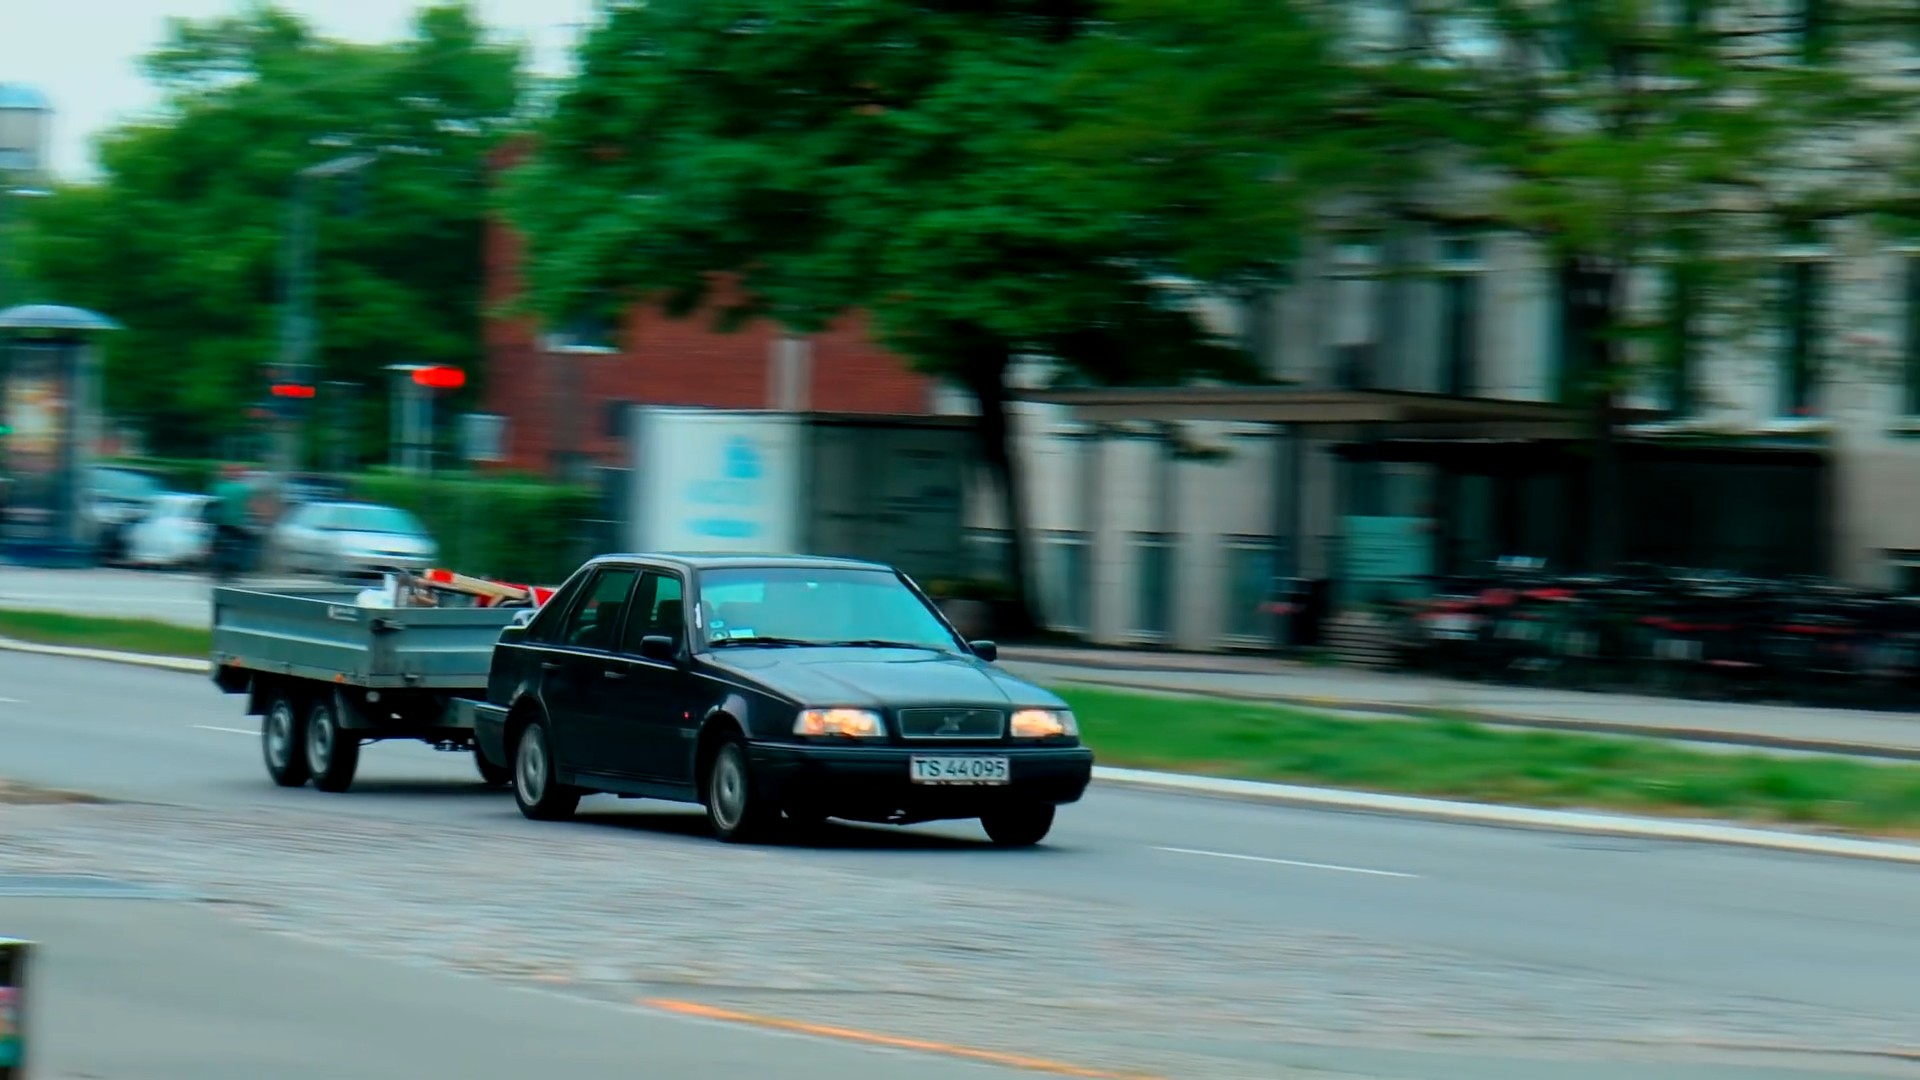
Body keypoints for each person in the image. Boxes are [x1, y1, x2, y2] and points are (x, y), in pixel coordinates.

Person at [209, 465, 254, 579]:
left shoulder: (218, 487)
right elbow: (249, 506)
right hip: (237, 523)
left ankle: (218, 569)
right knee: (238, 546)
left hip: (219, 522)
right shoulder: (244, 489)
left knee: (219, 546)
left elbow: (211, 503)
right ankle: (233, 569)